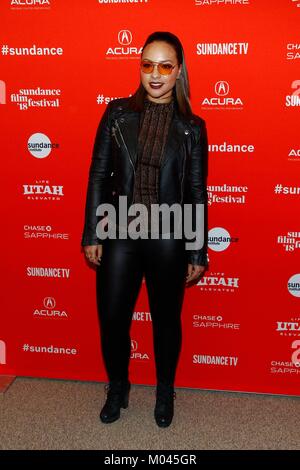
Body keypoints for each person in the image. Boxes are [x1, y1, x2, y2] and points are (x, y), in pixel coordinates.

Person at [81, 31, 209, 428]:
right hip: (120, 227)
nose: (155, 74)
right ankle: (118, 386)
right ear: (140, 67)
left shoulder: (192, 127)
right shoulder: (117, 113)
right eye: (147, 64)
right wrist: (93, 232)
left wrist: (196, 249)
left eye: (165, 66)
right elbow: (100, 175)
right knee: (113, 316)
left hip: (170, 231)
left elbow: (195, 190)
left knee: (167, 319)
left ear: (179, 71)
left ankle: (165, 389)